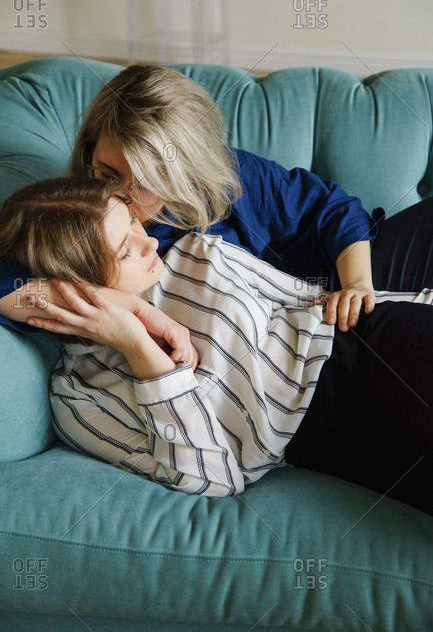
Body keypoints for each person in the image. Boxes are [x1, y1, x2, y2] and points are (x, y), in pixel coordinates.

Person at [1, 177, 432, 514]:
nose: (148, 241)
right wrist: (140, 347)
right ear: (79, 284)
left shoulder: (195, 252)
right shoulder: (77, 398)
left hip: (364, 341)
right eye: (124, 251)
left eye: (133, 222)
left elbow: (308, 299)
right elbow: (213, 478)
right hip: (325, 441)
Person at [3, 62, 433, 338]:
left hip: (350, 271)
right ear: (90, 149)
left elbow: (333, 211)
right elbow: (10, 288)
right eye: (109, 173)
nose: (124, 197)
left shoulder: (231, 176)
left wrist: (357, 284)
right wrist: (121, 306)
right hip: (307, 329)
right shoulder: (73, 220)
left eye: (149, 180)